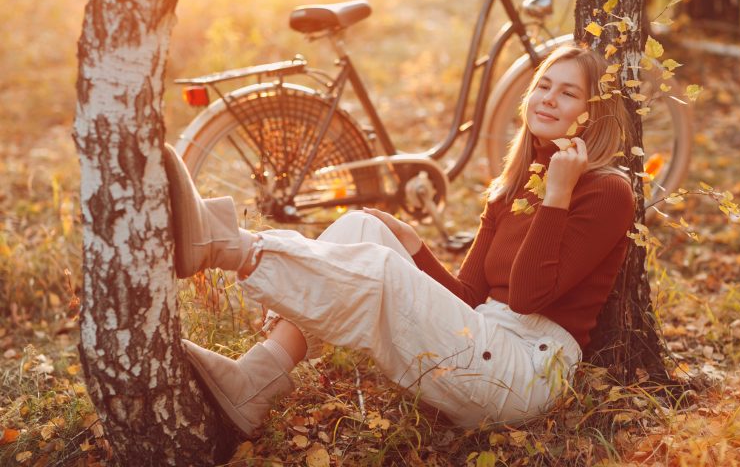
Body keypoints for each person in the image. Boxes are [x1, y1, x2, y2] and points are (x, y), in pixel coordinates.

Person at [163, 43, 635, 437]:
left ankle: (227, 245)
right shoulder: (511, 189)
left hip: (526, 373)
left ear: (592, 116)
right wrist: (414, 246)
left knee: (380, 271)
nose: (548, 99)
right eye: (543, 87)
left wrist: (557, 195)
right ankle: (254, 381)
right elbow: (469, 299)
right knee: (362, 229)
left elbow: (531, 297)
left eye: (569, 93)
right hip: (481, 340)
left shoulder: (607, 191)